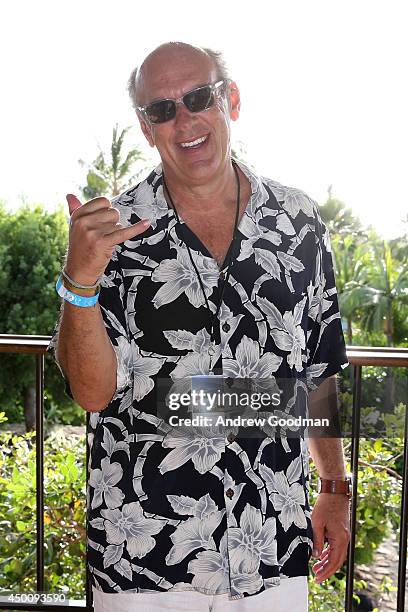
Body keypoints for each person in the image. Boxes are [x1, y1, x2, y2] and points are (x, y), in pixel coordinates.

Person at [49, 42, 351, 612]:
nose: (184, 119)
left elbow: (320, 373)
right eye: (162, 109)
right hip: (145, 552)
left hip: (271, 546)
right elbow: (91, 393)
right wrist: (81, 278)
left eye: (198, 97)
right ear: (145, 127)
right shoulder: (111, 235)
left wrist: (334, 488)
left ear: (229, 101)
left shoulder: (301, 223)